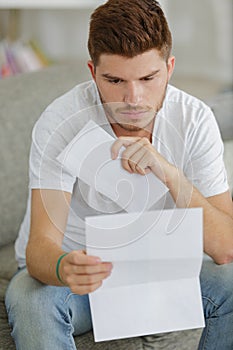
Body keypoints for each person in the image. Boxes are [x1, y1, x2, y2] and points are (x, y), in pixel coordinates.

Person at [5, 0, 233, 349]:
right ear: (92, 71)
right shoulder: (61, 123)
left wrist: (172, 176)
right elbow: (40, 248)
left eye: (148, 78)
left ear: (169, 68)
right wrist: (65, 266)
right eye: (114, 80)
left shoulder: (194, 120)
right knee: (29, 296)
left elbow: (226, 249)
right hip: (82, 284)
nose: (132, 98)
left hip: (159, 271)